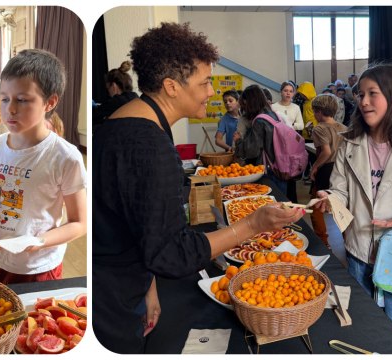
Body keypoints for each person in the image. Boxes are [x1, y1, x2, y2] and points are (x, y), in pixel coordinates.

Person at [92, 23, 304, 353]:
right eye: (204, 82)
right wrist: (252, 225)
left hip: (120, 287)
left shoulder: (117, 125)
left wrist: (149, 284)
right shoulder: (150, 145)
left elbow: (134, 224)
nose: (210, 91)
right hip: (113, 307)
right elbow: (172, 254)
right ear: (171, 87)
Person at [313, 63, 392, 351]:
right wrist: (329, 198)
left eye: (373, 93)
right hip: (359, 254)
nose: (364, 101)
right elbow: (340, 190)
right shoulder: (349, 145)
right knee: (365, 335)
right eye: (361, 94)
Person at [0, 49, 86, 286]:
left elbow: (79, 223)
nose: (10, 109)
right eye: (4, 99)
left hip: (36, 268)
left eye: (22, 100)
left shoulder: (65, 156)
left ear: (50, 102)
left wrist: (40, 241)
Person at [308, 94, 347, 247]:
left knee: (315, 205)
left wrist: (315, 166)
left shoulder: (319, 128)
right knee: (340, 207)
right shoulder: (343, 127)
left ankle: (323, 241)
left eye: (314, 111)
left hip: (326, 169)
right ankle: (348, 240)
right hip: (341, 168)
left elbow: (326, 152)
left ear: (319, 111)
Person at [234, 85, 286, 193]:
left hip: (268, 170)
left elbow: (252, 150)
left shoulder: (260, 121)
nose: (244, 108)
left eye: (244, 103)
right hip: (281, 166)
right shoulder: (274, 114)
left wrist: (238, 140)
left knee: (271, 202)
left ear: (250, 102)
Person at [95, 61, 138, 126]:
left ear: (114, 85)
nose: (108, 93)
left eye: (108, 88)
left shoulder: (116, 101)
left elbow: (94, 115)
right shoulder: (135, 97)